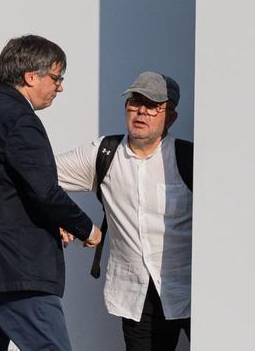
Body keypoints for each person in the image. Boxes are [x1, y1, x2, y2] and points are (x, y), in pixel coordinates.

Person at [0, 35, 101, 351]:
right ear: (31, 76)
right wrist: (87, 228)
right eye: (56, 78)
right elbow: (45, 192)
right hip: (15, 270)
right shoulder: (21, 121)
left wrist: (49, 221)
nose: (60, 88)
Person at [56, 71, 192, 351]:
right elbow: (38, 176)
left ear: (171, 117)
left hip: (192, 291)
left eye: (153, 105)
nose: (142, 110)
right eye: (134, 101)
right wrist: (59, 219)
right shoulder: (104, 153)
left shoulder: (187, 159)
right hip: (136, 297)